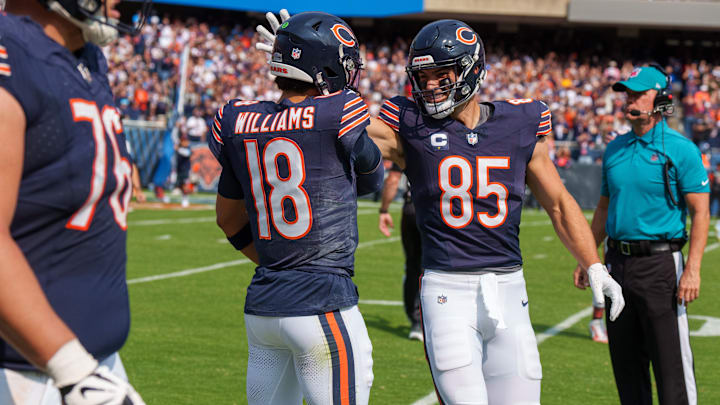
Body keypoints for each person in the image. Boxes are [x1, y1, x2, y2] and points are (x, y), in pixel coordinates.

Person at [366, 19, 624, 405]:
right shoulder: (410, 124)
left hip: (509, 291)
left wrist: (594, 264)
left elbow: (557, 202)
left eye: (441, 74)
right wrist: (310, 82)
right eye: (424, 77)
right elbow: (349, 128)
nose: (431, 86)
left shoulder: (518, 122)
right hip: (446, 291)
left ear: (471, 71)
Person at [210, 10, 383, 405]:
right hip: (322, 303)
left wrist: (277, 262)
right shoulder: (339, 110)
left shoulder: (238, 120)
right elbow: (372, 179)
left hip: (264, 308)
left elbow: (226, 217)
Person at [0, 0, 150, 404]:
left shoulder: (86, 57)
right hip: (31, 372)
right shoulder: (9, 53)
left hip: (88, 365)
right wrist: (73, 370)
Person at [575, 65, 710, 405]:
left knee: (672, 372)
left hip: (660, 267)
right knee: (627, 371)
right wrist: (588, 256)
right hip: (615, 269)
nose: (630, 99)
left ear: (661, 99)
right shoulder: (615, 148)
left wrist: (692, 269)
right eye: (628, 93)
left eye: (639, 93)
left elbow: (700, 212)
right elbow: (604, 209)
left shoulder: (682, 149)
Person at [377, 163, 424, 341]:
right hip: (437, 211)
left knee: (413, 266)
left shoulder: (407, 143)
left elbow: (392, 180)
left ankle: (416, 321)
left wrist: (383, 209)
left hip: (411, 210)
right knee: (439, 266)